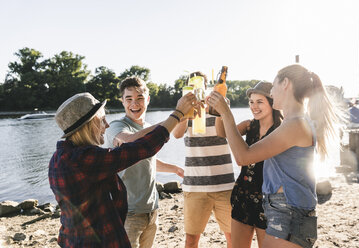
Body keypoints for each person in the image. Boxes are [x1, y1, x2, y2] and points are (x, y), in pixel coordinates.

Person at [207, 64, 340, 248]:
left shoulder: (295, 124)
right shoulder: (293, 122)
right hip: (282, 211)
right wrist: (222, 113)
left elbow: (243, 157)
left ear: (285, 83)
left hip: (290, 213)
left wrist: (226, 112)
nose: (272, 92)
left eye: (273, 86)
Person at [49, 91, 197, 247]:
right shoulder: (84, 159)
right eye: (102, 120)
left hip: (74, 238)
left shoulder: (59, 157)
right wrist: (178, 114)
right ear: (88, 126)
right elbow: (142, 148)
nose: (106, 125)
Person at [105, 76, 185, 248]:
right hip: (128, 212)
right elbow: (129, 141)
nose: (135, 104)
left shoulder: (148, 127)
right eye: (129, 99)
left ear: (147, 100)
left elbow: (147, 160)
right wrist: (173, 119)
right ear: (122, 102)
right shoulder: (116, 126)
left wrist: (175, 169)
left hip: (151, 209)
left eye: (140, 98)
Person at [215, 81, 282, 247]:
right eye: (251, 102)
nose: (254, 107)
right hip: (242, 195)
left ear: (272, 103)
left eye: (260, 102)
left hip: (268, 200)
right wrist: (220, 112)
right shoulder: (249, 125)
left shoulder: (282, 130)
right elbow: (222, 132)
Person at [172, 71, 235, 248]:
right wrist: (185, 112)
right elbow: (176, 134)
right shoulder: (184, 110)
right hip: (195, 186)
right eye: (192, 86)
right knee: (191, 240)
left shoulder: (220, 104)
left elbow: (227, 134)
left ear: (206, 87)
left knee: (233, 237)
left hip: (225, 185)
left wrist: (220, 109)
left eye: (199, 86)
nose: (196, 89)